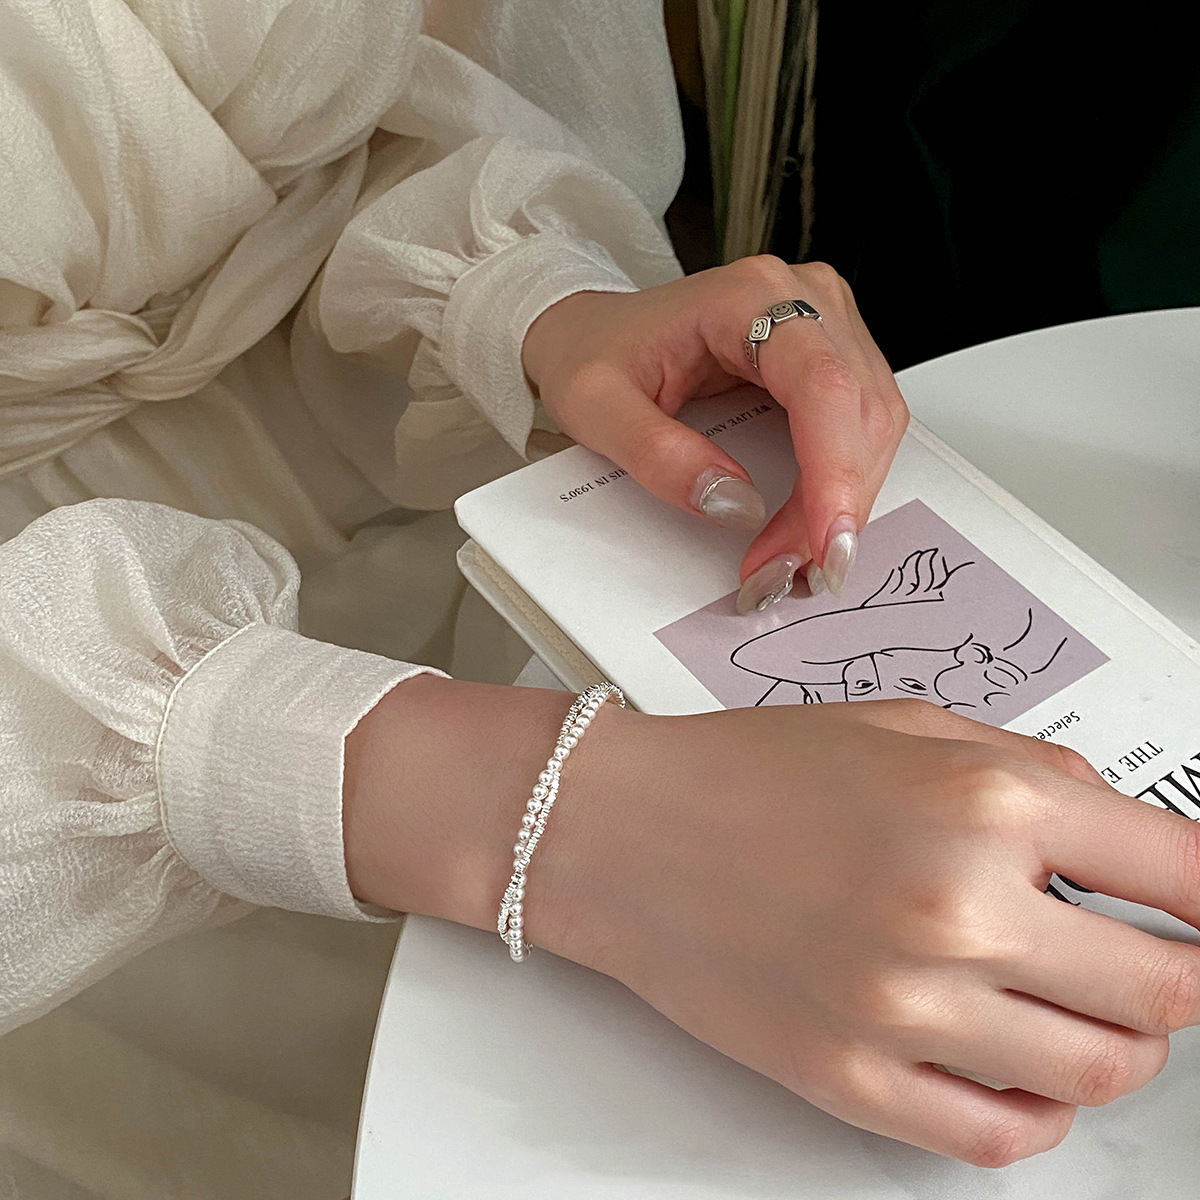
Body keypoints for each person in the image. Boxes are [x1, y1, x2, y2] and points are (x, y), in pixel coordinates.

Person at [2, 3, 1199, 1195]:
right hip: (73, 806)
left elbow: (308, 130)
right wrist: (561, 815)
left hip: (473, 509)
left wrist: (531, 304)